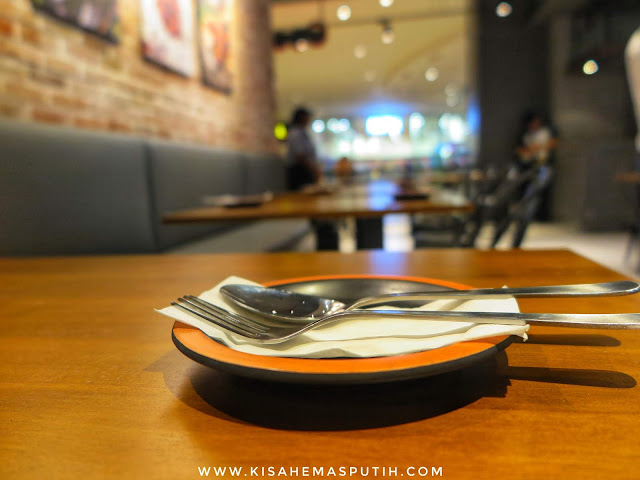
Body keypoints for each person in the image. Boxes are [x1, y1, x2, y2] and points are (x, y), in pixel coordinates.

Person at [514, 111, 558, 221]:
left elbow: (554, 143)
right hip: (529, 165)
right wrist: (529, 151)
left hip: (543, 164)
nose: (535, 124)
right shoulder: (525, 135)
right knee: (527, 191)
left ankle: (542, 215)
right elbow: (519, 150)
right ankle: (526, 216)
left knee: (542, 190)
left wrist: (538, 147)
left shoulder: (545, 132)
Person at [286, 107, 320, 191]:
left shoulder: (302, 132)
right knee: (303, 194)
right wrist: (313, 169)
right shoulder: (296, 133)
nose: (309, 120)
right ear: (302, 118)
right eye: (307, 117)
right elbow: (300, 155)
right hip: (300, 171)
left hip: (303, 169)